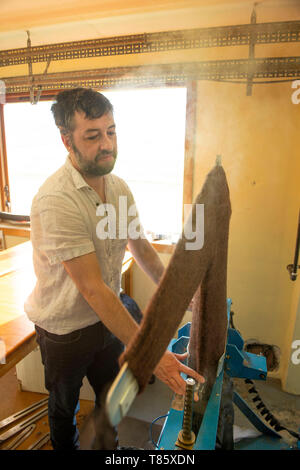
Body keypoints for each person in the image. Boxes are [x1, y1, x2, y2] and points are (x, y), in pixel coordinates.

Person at [24, 88, 204, 450]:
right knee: (64, 404)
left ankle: (109, 451)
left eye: (111, 131)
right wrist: (150, 353)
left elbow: (141, 248)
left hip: (105, 322)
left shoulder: (119, 188)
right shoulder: (56, 199)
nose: (107, 144)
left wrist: (183, 295)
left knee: (111, 397)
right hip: (65, 331)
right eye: (93, 136)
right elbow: (92, 288)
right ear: (66, 140)